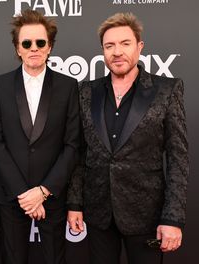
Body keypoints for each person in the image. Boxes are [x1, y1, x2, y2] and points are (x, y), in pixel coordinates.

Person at [67, 12, 189, 264]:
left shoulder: (166, 90)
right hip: (99, 214)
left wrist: (172, 218)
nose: (117, 52)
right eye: (109, 46)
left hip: (146, 214)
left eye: (125, 43)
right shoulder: (86, 91)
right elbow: (79, 153)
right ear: (102, 51)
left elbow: (178, 158)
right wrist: (75, 203)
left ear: (139, 47)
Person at [0, 9, 81, 264]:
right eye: (26, 43)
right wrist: (24, 194)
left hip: (52, 195)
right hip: (11, 194)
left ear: (50, 47)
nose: (34, 48)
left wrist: (44, 191)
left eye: (40, 42)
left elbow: (72, 145)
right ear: (18, 48)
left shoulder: (69, 86)